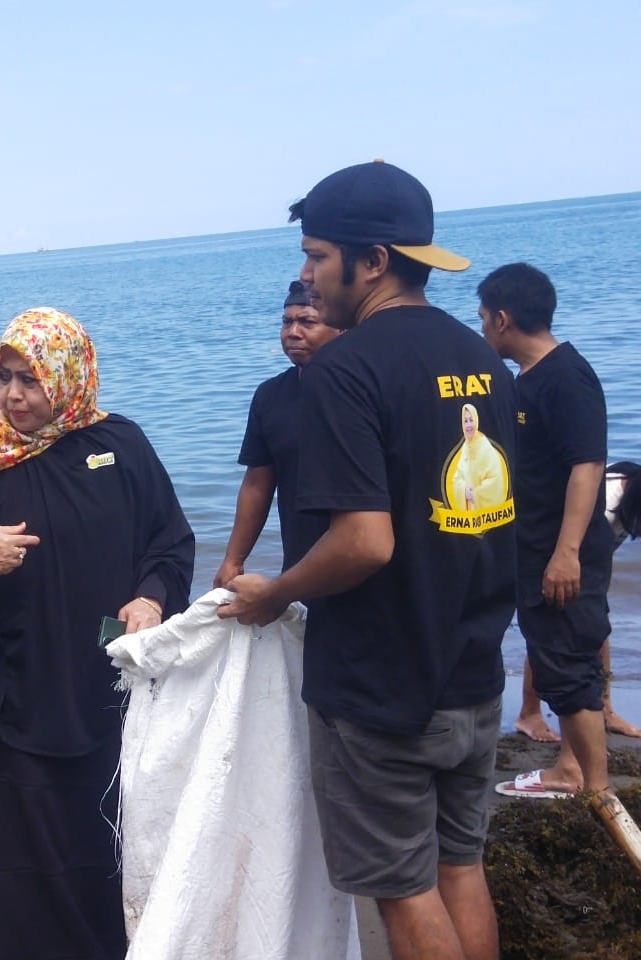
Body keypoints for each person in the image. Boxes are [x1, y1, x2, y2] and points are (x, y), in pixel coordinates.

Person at [219, 160, 516, 960]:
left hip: (383, 686)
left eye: (318, 257)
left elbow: (365, 540)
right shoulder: (482, 359)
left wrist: (272, 594)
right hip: (475, 671)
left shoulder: (347, 370)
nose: (310, 278)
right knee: (462, 868)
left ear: (374, 260)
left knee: (404, 889)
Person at [0, 307, 195, 960]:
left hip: (104, 671)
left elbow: (170, 541)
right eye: (4, 377)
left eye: (29, 380)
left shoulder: (119, 445)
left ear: (68, 378)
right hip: (15, 682)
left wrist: (151, 598)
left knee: (105, 820)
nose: (12, 395)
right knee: (23, 830)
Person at [478, 263, 616, 800]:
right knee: (558, 660)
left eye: (485, 319)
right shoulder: (526, 380)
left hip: (561, 551)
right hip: (532, 545)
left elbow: (588, 466)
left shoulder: (566, 376)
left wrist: (567, 553)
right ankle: (571, 770)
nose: (484, 328)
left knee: (568, 665)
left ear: (504, 319)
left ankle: (595, 789)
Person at [213, 280, 341, 588]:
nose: (293, 332)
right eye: (287, 322)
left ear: (340, 328)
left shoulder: (358, 390)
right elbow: (258, 483)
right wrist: (233, 559)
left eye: (307, 321)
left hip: (358, 558)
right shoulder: (270, 396)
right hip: (298, 566)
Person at [514, 458, 641, 741]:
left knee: (597, 625)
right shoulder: (607, 504)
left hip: (586, 557)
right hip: (548, 551)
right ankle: (529, 713)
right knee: (548, 629)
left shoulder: (629, 501)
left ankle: (604, 708)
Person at [450, 403, 507, 512]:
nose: (469, 425)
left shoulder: (485, 447)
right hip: (469, 514)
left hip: (484, 515)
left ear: (476, 421)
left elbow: (496, 479)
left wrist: (476, 495)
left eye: (471, 420)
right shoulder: (465, 446)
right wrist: (463, 491)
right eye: (465, 421)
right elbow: (457, 477)